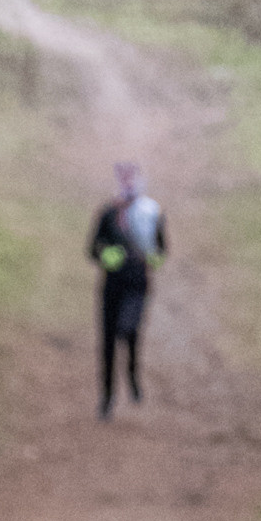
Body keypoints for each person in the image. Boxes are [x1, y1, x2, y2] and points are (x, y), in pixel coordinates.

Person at [88, 159, 167, 417]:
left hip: (137, 284)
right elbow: (92, 249)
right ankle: (107, 398)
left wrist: (150, 260)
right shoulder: (107, 213)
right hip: (112, 285)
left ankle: (133, 378)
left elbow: (161, 249)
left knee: (129, 331)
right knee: (108, 341)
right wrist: (107, 257)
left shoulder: (150, 213)